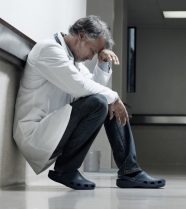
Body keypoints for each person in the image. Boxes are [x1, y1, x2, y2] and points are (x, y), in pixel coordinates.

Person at [13, 15, 165, 190]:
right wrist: (114, 97)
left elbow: (95, 91)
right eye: (93, 51)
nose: (92, 56)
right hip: (34, 136)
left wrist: (102, 63)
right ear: (82, 36)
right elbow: (80, 87)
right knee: (105, 100)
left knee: (105, 102)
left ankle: (129, 171)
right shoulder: (49, 50)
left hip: (53, 130)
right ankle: (66, 170)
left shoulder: (72, 60)